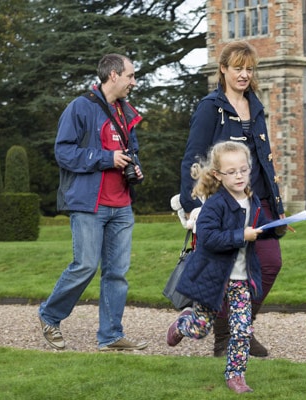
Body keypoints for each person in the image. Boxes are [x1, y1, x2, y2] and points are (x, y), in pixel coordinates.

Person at [179, 40, 286, 358]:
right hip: (223, 204)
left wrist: (274, 200)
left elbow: (262, 157)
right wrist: (194, 205)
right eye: (238, 68)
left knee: (269, 264)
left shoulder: (255, 105)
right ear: (223, 69)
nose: (244, 74)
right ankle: (224, 339)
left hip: (258, 203)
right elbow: (193, 160)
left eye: (249, 69)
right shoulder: (210, 108)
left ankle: (243, 327)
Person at [38, 53, 148, 352]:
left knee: (117, 272)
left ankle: (111, 335)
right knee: (85, 265)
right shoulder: (80, 108)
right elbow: (63, 153)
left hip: (122, 205)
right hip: (90, 204)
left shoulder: (127, 112)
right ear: (113, 75)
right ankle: (49, 316)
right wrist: (106, 158)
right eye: (130, 76)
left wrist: (134, 168)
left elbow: (131, 150)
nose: (133, 82)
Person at [167, 141, 278, 394]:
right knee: (200, 328)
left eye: (243, 169)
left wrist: (277, 229)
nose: (239, 176)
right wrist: (241, 236)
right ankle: (183, 323)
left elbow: (261, 229)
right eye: (232, 171)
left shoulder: (254, 199)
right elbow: (209, 238)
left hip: (241, 280)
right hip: (214, 278)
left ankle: (236, 376)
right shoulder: (215, 205)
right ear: (218, 174)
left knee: (241, 330)